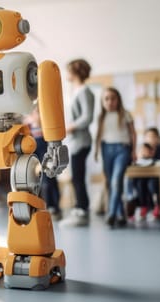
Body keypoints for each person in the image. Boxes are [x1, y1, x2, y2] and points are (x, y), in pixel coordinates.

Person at [94, 87, 136, 228]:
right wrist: (96, 151)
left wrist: (134, 151)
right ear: (102, 101)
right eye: (106, 99)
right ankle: (120, 214)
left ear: (118, 100)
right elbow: (99, 136)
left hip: (122, 149)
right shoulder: (101, 117)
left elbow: (133, 133)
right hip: (106, 149)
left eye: (113, 98)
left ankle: (111, 214)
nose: (110, 101)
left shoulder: (125, 114)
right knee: (111, 183)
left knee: (117, 181)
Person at [60, 59, 95, 227]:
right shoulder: (74, 91)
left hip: (81, 141)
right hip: (74, 141)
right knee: (76, 177)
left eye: (68, 71)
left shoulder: (85, 92)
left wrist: (70, 128)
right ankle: (80, 207)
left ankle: (82, 209)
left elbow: (87, 118)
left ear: (75, 72)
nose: (67, 74)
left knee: (78, 177)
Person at [26, 107, 61, 220]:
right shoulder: (29, 127)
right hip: (35, 155)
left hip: (46, 155)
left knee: (49, 180)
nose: (35, 115)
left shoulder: (45, 126)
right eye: (33, 112)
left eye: (37, 112)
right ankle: (41, 205)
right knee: (38, 182)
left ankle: (53, 206)